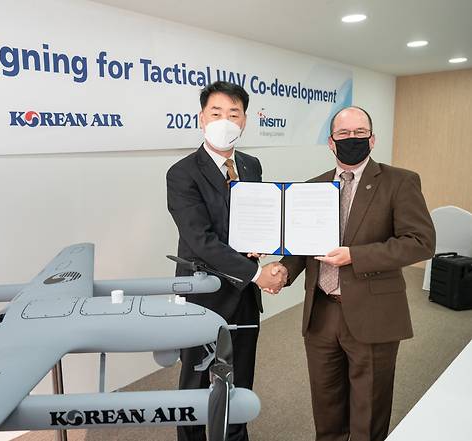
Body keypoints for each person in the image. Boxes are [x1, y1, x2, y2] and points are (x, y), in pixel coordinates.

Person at [279, 106, 436, 441]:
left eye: (359, 133)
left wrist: (356, 256)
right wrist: (282, 269)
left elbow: (420, 243)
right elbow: (301, 246)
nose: (352, 139)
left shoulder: (400, 181)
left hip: (373, 311)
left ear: (372, 138)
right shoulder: (312, 187)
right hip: (321, 311)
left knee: (369, 406)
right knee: (326, 403)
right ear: (331, 143)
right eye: (344, 134)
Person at [166, 81, 286, 441]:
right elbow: (200, 239)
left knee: (241, 378)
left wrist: (261, 245)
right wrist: (256, 273)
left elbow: (254, 219)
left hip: (244, 297)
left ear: (244, 120)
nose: (225, 120)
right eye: (216, 112)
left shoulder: (251, 164)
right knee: (196, 381)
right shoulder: (182, 173)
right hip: (204, 294)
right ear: (202, 118)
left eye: (233, 113)